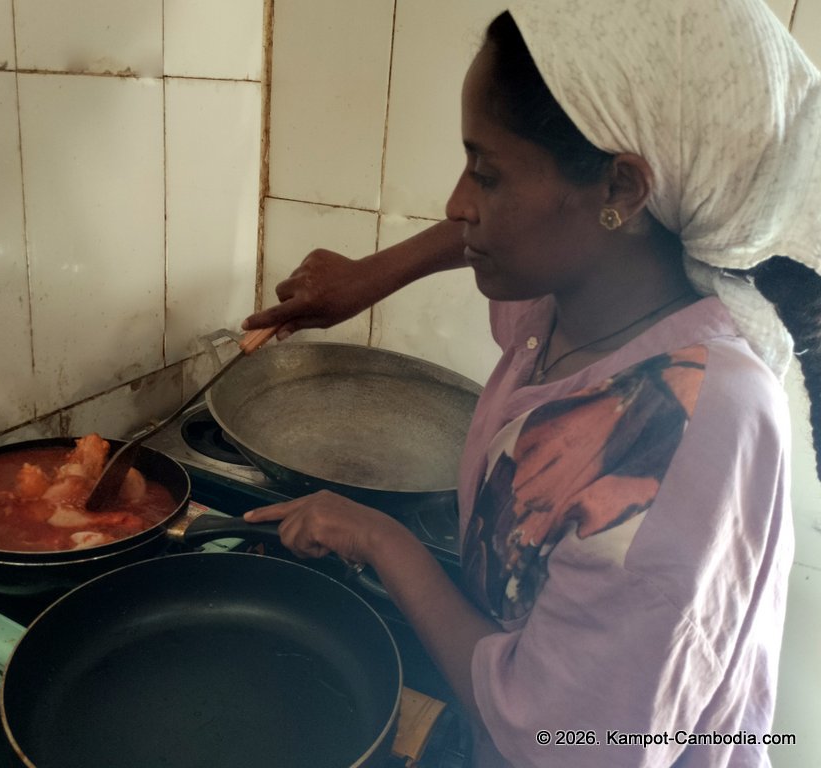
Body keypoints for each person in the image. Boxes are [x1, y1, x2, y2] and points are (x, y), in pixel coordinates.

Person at [242, 1, 821, 766]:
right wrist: (369, 278)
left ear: (621, 190)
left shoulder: (686, 428)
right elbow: (476, 235)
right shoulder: (570, 309)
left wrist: (378, 537)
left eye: (485, 172)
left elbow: (562, 740)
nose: (456, 203)